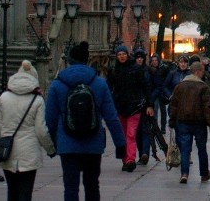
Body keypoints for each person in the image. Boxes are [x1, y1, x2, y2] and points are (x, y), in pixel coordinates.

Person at [46, 41, 126, 201]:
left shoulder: (57, 85)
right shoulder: (99, 83)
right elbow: (111, 117)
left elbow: (50, 118)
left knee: (70, 187)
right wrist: (120, 144)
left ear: (69, 61)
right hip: (93, 143)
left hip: (67, 144)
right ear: (86, 60)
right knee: (92, 185)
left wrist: (56, 142)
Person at [0, 60, 55, 201]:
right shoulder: (37, 100)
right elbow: (41, 130)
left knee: (12, 191)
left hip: (7, 150)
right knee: (26, 192)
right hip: (29, 151)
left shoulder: (4, 98)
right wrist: (50, 149)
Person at [107, 45, 153, 172]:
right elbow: (108, 88)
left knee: (131, 134)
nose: (122, 56)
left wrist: (149, 105)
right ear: (116, 56)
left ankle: (130, 159)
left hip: (134, 107)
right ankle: (125, 159)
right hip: (120, 107)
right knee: (122, 135)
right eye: (119, 54)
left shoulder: (136, 69)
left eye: (124, 54)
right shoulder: (113, 70)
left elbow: (146, 87)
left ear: (128, 55)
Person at [169, 60, 210, 184]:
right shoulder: (203, 87)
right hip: (199, 122)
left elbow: (174, 105)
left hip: (182, 121)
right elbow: (207, 107)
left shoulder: (180, 86)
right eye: (202, 72)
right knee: (201, 148)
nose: (203, 75)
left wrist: (172, 121)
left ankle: (184, 173)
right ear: (198, 71)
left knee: (185, 148)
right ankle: (204, 173)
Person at [131, 48, 152, 164]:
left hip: (146, 104)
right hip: (135, 105)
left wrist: (150, 103)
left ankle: (145, 153)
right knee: (137, 131)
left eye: (141, 58)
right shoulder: (132, 71)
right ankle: (141, 154)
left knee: (146, 130)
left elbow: (152, 87)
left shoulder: (148, 71)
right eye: (138, 57)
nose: (139, 59)